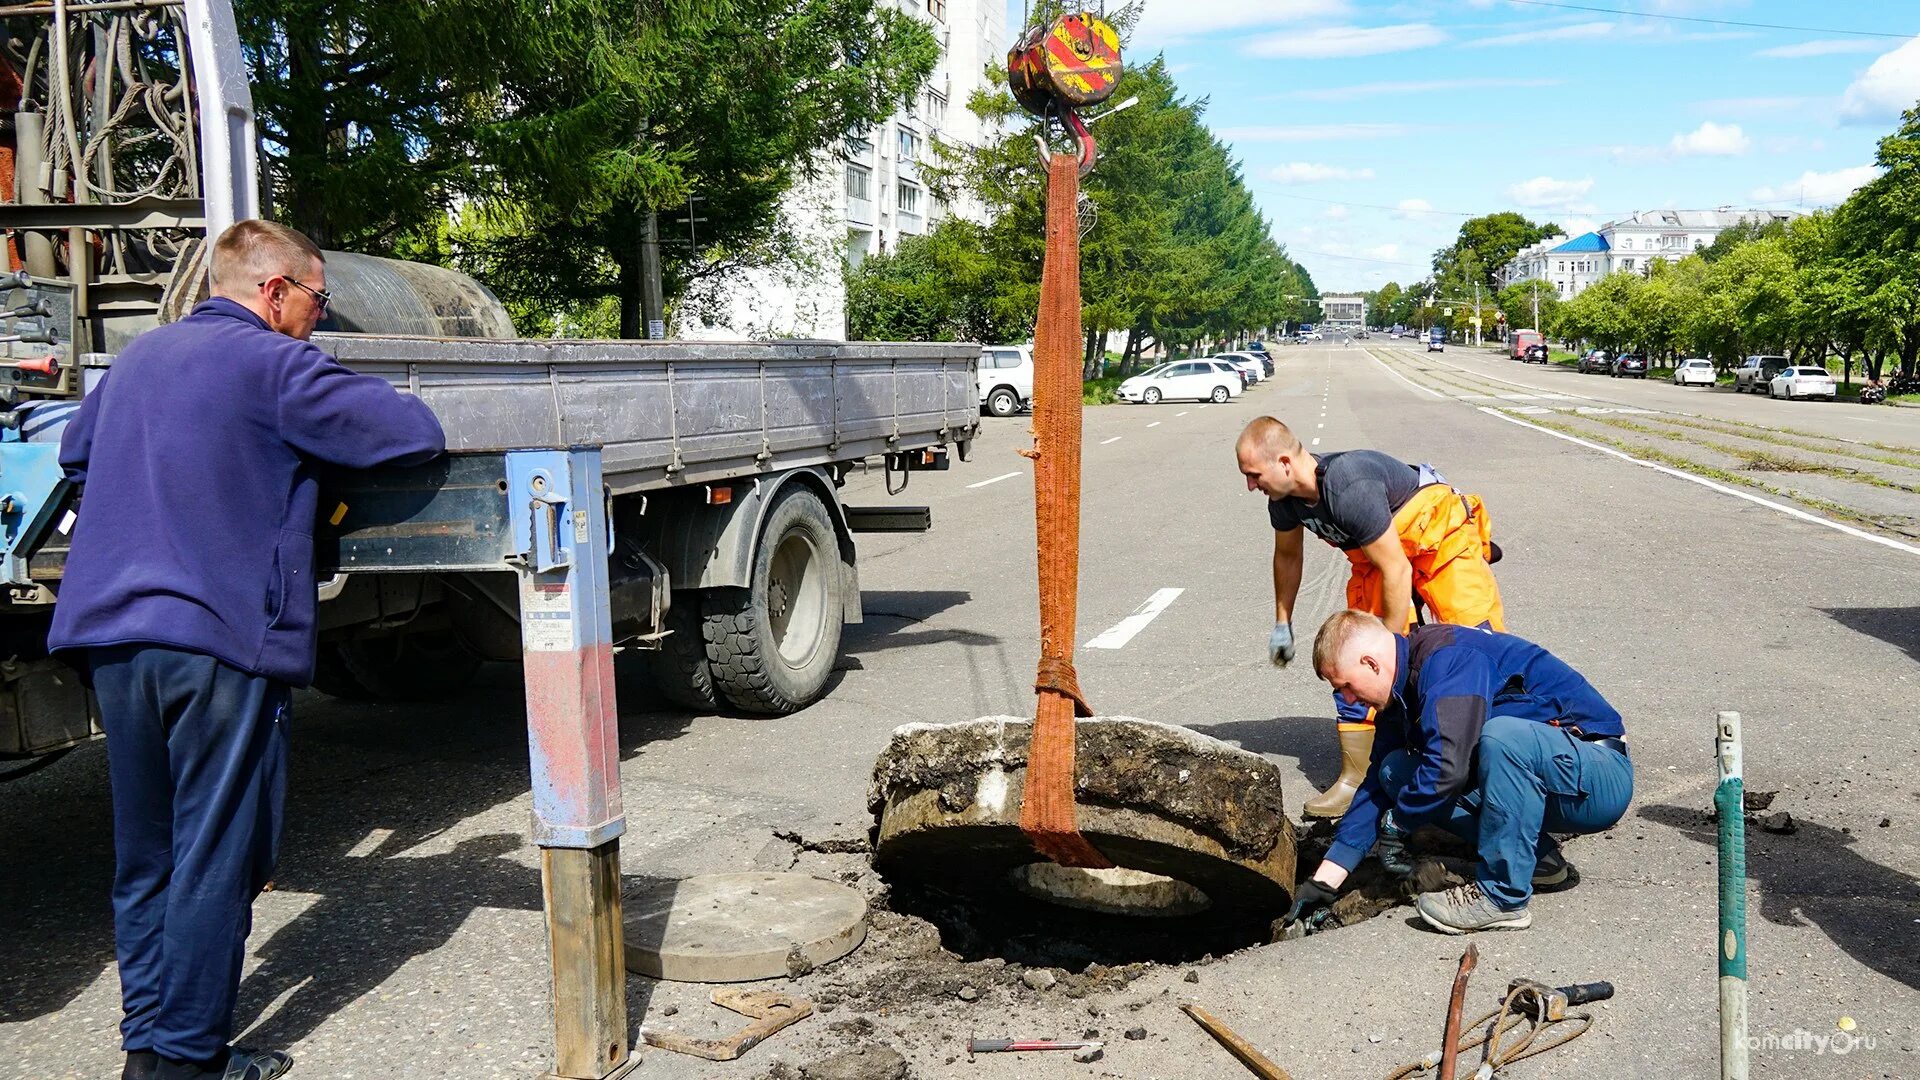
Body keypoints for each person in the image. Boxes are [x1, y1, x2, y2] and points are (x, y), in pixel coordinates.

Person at [50, 220, 447, 1080]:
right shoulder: (276, 366)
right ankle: (189, 1063)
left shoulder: (138, 363)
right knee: (216, 855)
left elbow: (74, 456)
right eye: (318, 299)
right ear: (273, 290)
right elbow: (408, 432)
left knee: (146, 855)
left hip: (114, 641)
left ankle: (145, 1051)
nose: (321, 319)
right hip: (218, 642)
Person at [1285, 610, 1633, 934]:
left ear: (1370, 663)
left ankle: (1503, 897)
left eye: (1345, 686)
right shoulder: (1400, 691)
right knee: (1395, 771)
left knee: (1501, 738)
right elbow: (1377, 784)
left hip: (1595, 777)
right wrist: (1326, 880)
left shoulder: (1448, 659)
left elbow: (1448, 768)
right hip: (1542, 780)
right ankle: (1540, 861)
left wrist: (1399, 821)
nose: (1348, 700)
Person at [1235, 417, 1506, 818]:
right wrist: (1282, 622)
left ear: (1285, 463)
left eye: (1254, 475)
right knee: (1347, 654)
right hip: (1378, 554)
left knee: (1476, 648)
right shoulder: (1284, 501)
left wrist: (1389, 650)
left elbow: (1397, 569)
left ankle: (1509, 762)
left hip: (1438, 540)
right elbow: (1288, 556)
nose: (1251, 486)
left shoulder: (1349, 486)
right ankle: (1359, 777)